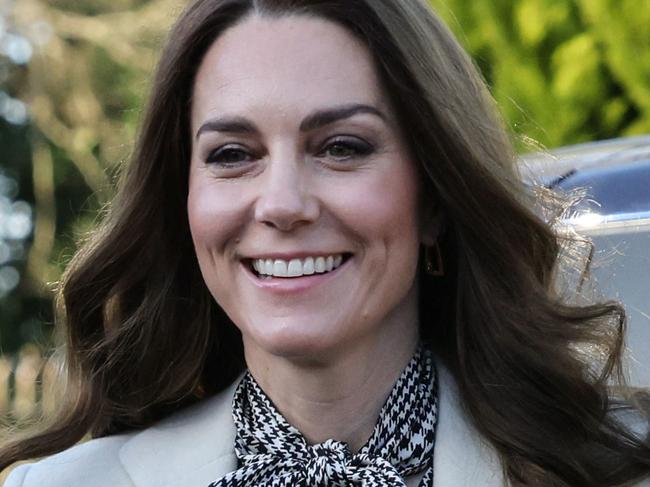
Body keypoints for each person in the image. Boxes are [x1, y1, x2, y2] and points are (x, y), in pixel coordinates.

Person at [2, 0, 649, 485]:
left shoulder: (617, 467)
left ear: (435, 198)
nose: (282, 203)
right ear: (184, 203)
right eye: (232, 154)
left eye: (342, 147)